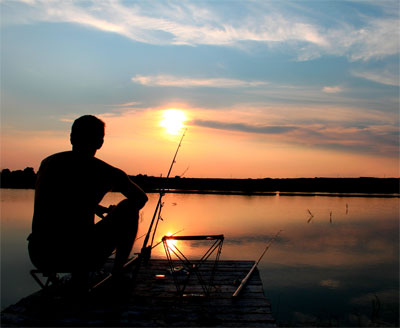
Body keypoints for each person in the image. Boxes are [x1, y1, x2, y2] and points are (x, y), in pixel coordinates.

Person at [28, 115, 148, 290]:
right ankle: (117, 273)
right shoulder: (107, 172)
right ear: (100, 142)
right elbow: (140, 199)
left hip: (41, 254)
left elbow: (64, 198)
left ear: (71, 138)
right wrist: (115, 214)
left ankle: (77, 278)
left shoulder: (48, 163)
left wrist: (93, 206)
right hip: (81, 255)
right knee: (129, 208)